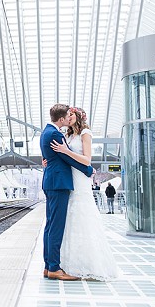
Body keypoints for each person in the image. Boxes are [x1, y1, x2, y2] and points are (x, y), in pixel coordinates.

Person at [39, 104, 103, 281]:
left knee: (51, 226)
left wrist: (48, 161)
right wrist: (89, 170)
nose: (69, 118)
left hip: (56, 182)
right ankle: (54, 268)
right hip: (59, 183)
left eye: (72, 115)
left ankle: (48, 266)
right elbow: (65, 157)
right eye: (67, 115)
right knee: (56, 227)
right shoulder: (55, 134)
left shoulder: (47, 132)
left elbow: (52, 157)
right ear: (61, 119)